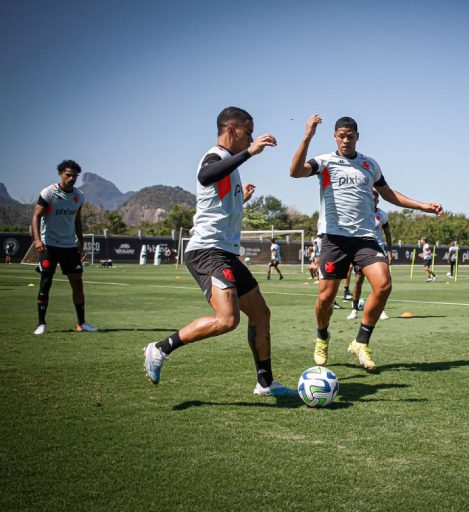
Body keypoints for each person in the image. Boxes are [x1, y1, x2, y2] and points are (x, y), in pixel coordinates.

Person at [143, 106, 292, 397]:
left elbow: (216, 204)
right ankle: (160, 349)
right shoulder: (215, 156)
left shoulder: (229, 165)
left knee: (261, 314)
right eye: (248, 133)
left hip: (225, 252)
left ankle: (265, 383)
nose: (251, 139)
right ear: (232, 130)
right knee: (227, 320)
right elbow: (206, 175)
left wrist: (241, 200)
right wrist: (249, 153)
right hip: (207, 250)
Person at [289, 114, 442, 370]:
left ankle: (361, 342)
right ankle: (322, 335)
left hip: (365, 238)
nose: (345, 140)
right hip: (334, 238)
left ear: (357, 137)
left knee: (383, 285)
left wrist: (422, 206)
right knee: (326, 298)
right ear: (335, 137)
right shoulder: (325, 161)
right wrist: (307, 136)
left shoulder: (369, 165)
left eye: (350, 136)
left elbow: (389, 193)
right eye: (341, 136)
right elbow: (295, 172)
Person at [31, 160, 98, 335]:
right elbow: (36, 216)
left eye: (74, 176)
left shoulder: (79, 196)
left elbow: (77, 220)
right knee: (46, 283)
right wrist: (37, 239)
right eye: (68, 175)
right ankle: (41, 324)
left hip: (69, 246)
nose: (71, 178)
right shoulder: (49, 193)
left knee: (77, 283)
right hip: (49, 245)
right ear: (61, 174)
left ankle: (81, 323)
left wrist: (80, 242)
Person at [347, 189, 392, 321]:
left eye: (375, 200)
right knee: (358, 281)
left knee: (380, 282)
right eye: (371, 199)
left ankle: (381, 310)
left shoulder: (382, 215)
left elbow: (387, 233)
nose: (373, 201)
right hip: (362, 250)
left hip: (378, 250)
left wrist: (389, 250)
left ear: (378, 201)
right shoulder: (360, 213)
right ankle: (354, 309)